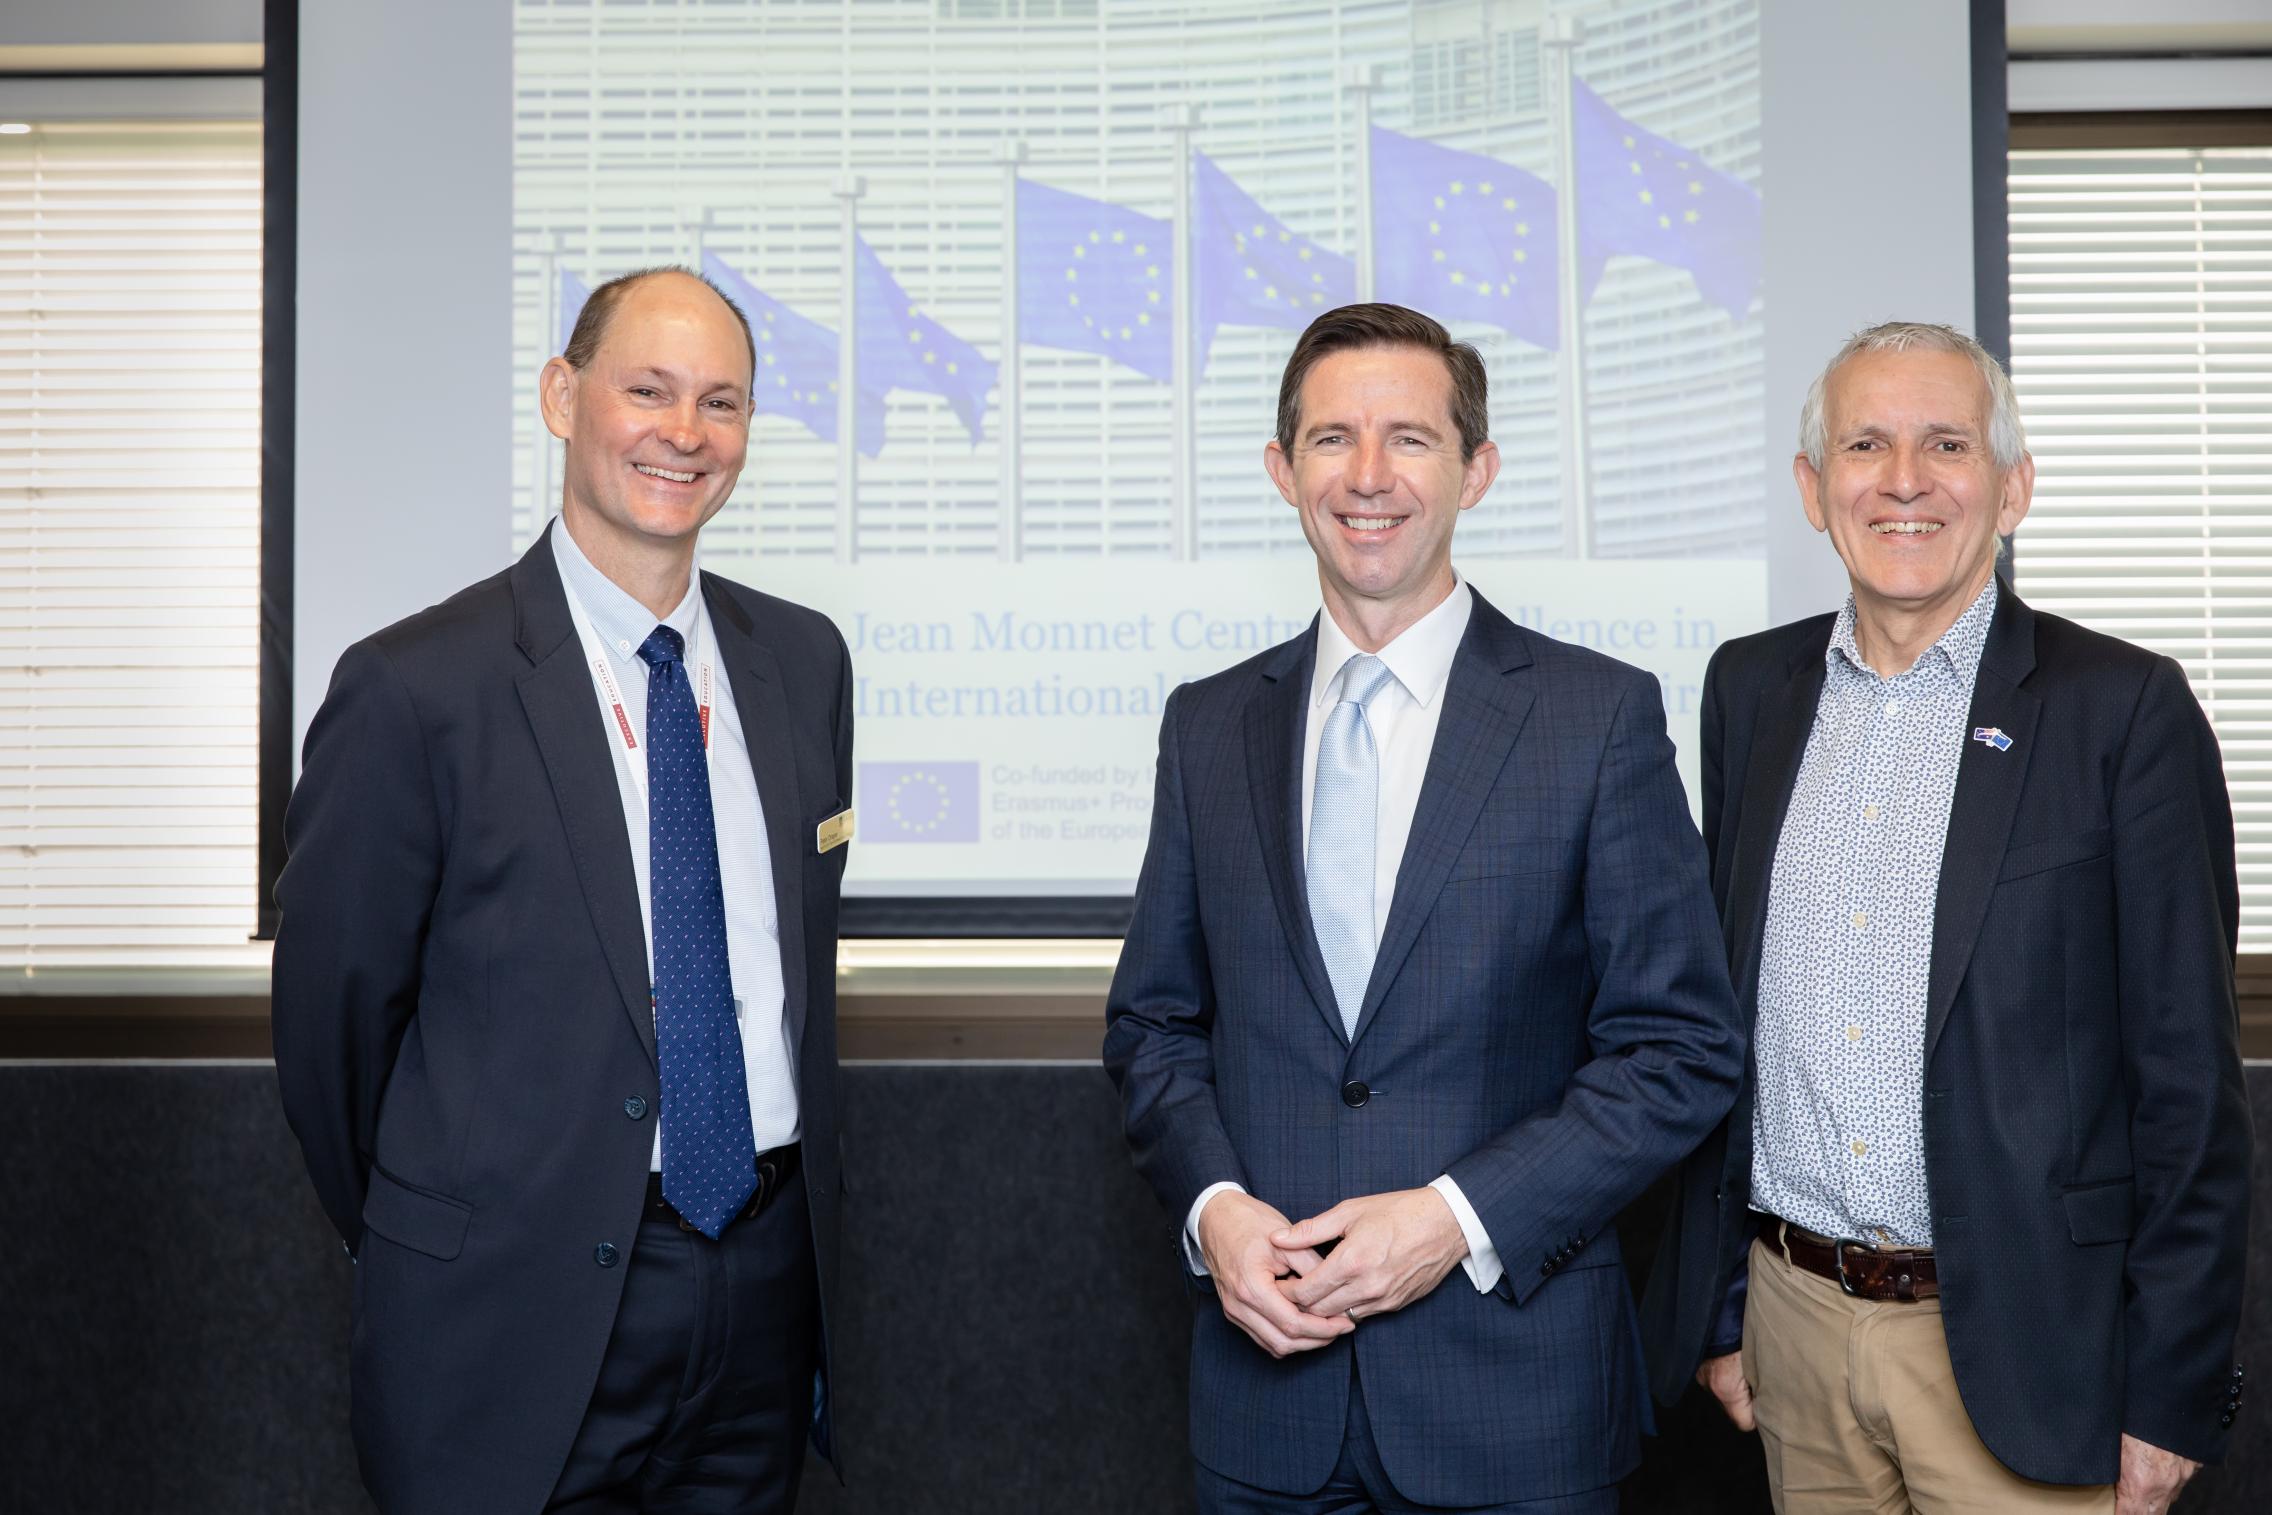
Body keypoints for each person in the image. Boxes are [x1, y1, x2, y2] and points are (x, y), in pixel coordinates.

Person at [1103, 302, 1746, 1514]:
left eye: (1409, 438)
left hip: (1514, 1405)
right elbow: (1154, 1025)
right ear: (1280, 469)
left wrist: (1459, 1218)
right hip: (1265, 1404)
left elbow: (1680, 1049)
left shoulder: (1593, 718)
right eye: (1331, 438)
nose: (1366, 476)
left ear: (1477, 470)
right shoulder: (1208, 725)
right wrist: (1214, 1211)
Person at [1639, 321, 2250, 1514]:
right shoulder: (1747, 691)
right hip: (1796, 1331)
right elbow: (1724, 1028)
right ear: (1815, 490)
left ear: (2011, 487)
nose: (1904, 480)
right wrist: (1726, 1310)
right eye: (1865, 444)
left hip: (2032, 1350)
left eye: (1946, 444)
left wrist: (2168, 1391)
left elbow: (2186, 1078)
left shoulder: (2121, 709)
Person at [273, 267, 853, 1513]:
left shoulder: (803, 662)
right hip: (504, 1305)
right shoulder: (415, 688)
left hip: (755, 1290)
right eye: (647, 390)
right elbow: (334, 1034)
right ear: (561, 396)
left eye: (722, 402)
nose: (683, 433)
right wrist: (454, 1221)